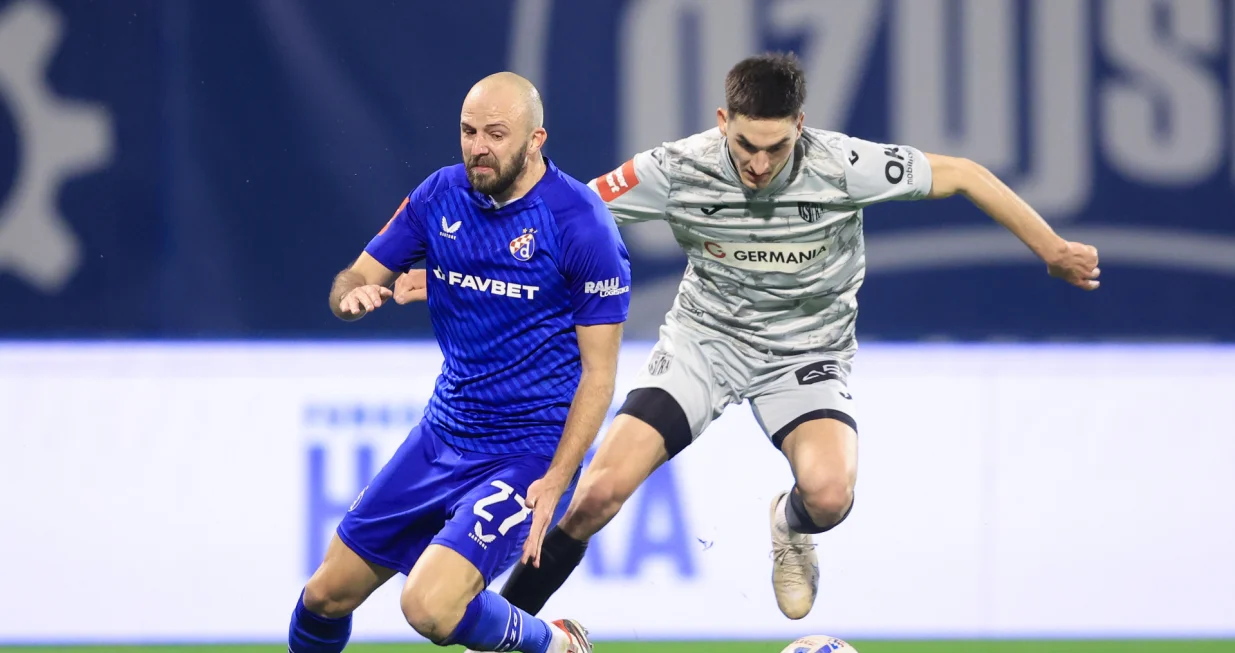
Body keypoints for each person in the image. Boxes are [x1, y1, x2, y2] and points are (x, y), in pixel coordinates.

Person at [395, 53, 1100, 623]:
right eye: (743, 145)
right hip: (704, 344)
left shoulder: (843, 165)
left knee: (827, 492)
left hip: (807, 353)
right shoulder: (676, 167)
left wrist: (1051, 248)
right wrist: (460, 265)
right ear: (720, 121)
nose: (758, 165)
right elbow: (557, 212)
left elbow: (966, 174)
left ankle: (788, 527)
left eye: (775, 146)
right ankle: (511, 632)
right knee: (593, 495)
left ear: (801, 125)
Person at [288, 72, 631, 653]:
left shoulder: (580, 224)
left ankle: (557, 645)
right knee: (324, 596)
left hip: (527, 453)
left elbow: (600, 376)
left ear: (536, 139)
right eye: (469, 131)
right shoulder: (439, 195)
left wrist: (557, 478)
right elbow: (355, 277)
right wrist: (353, 299)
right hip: (441, 436)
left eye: (496, 134)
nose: (478, 147)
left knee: (427, 605)